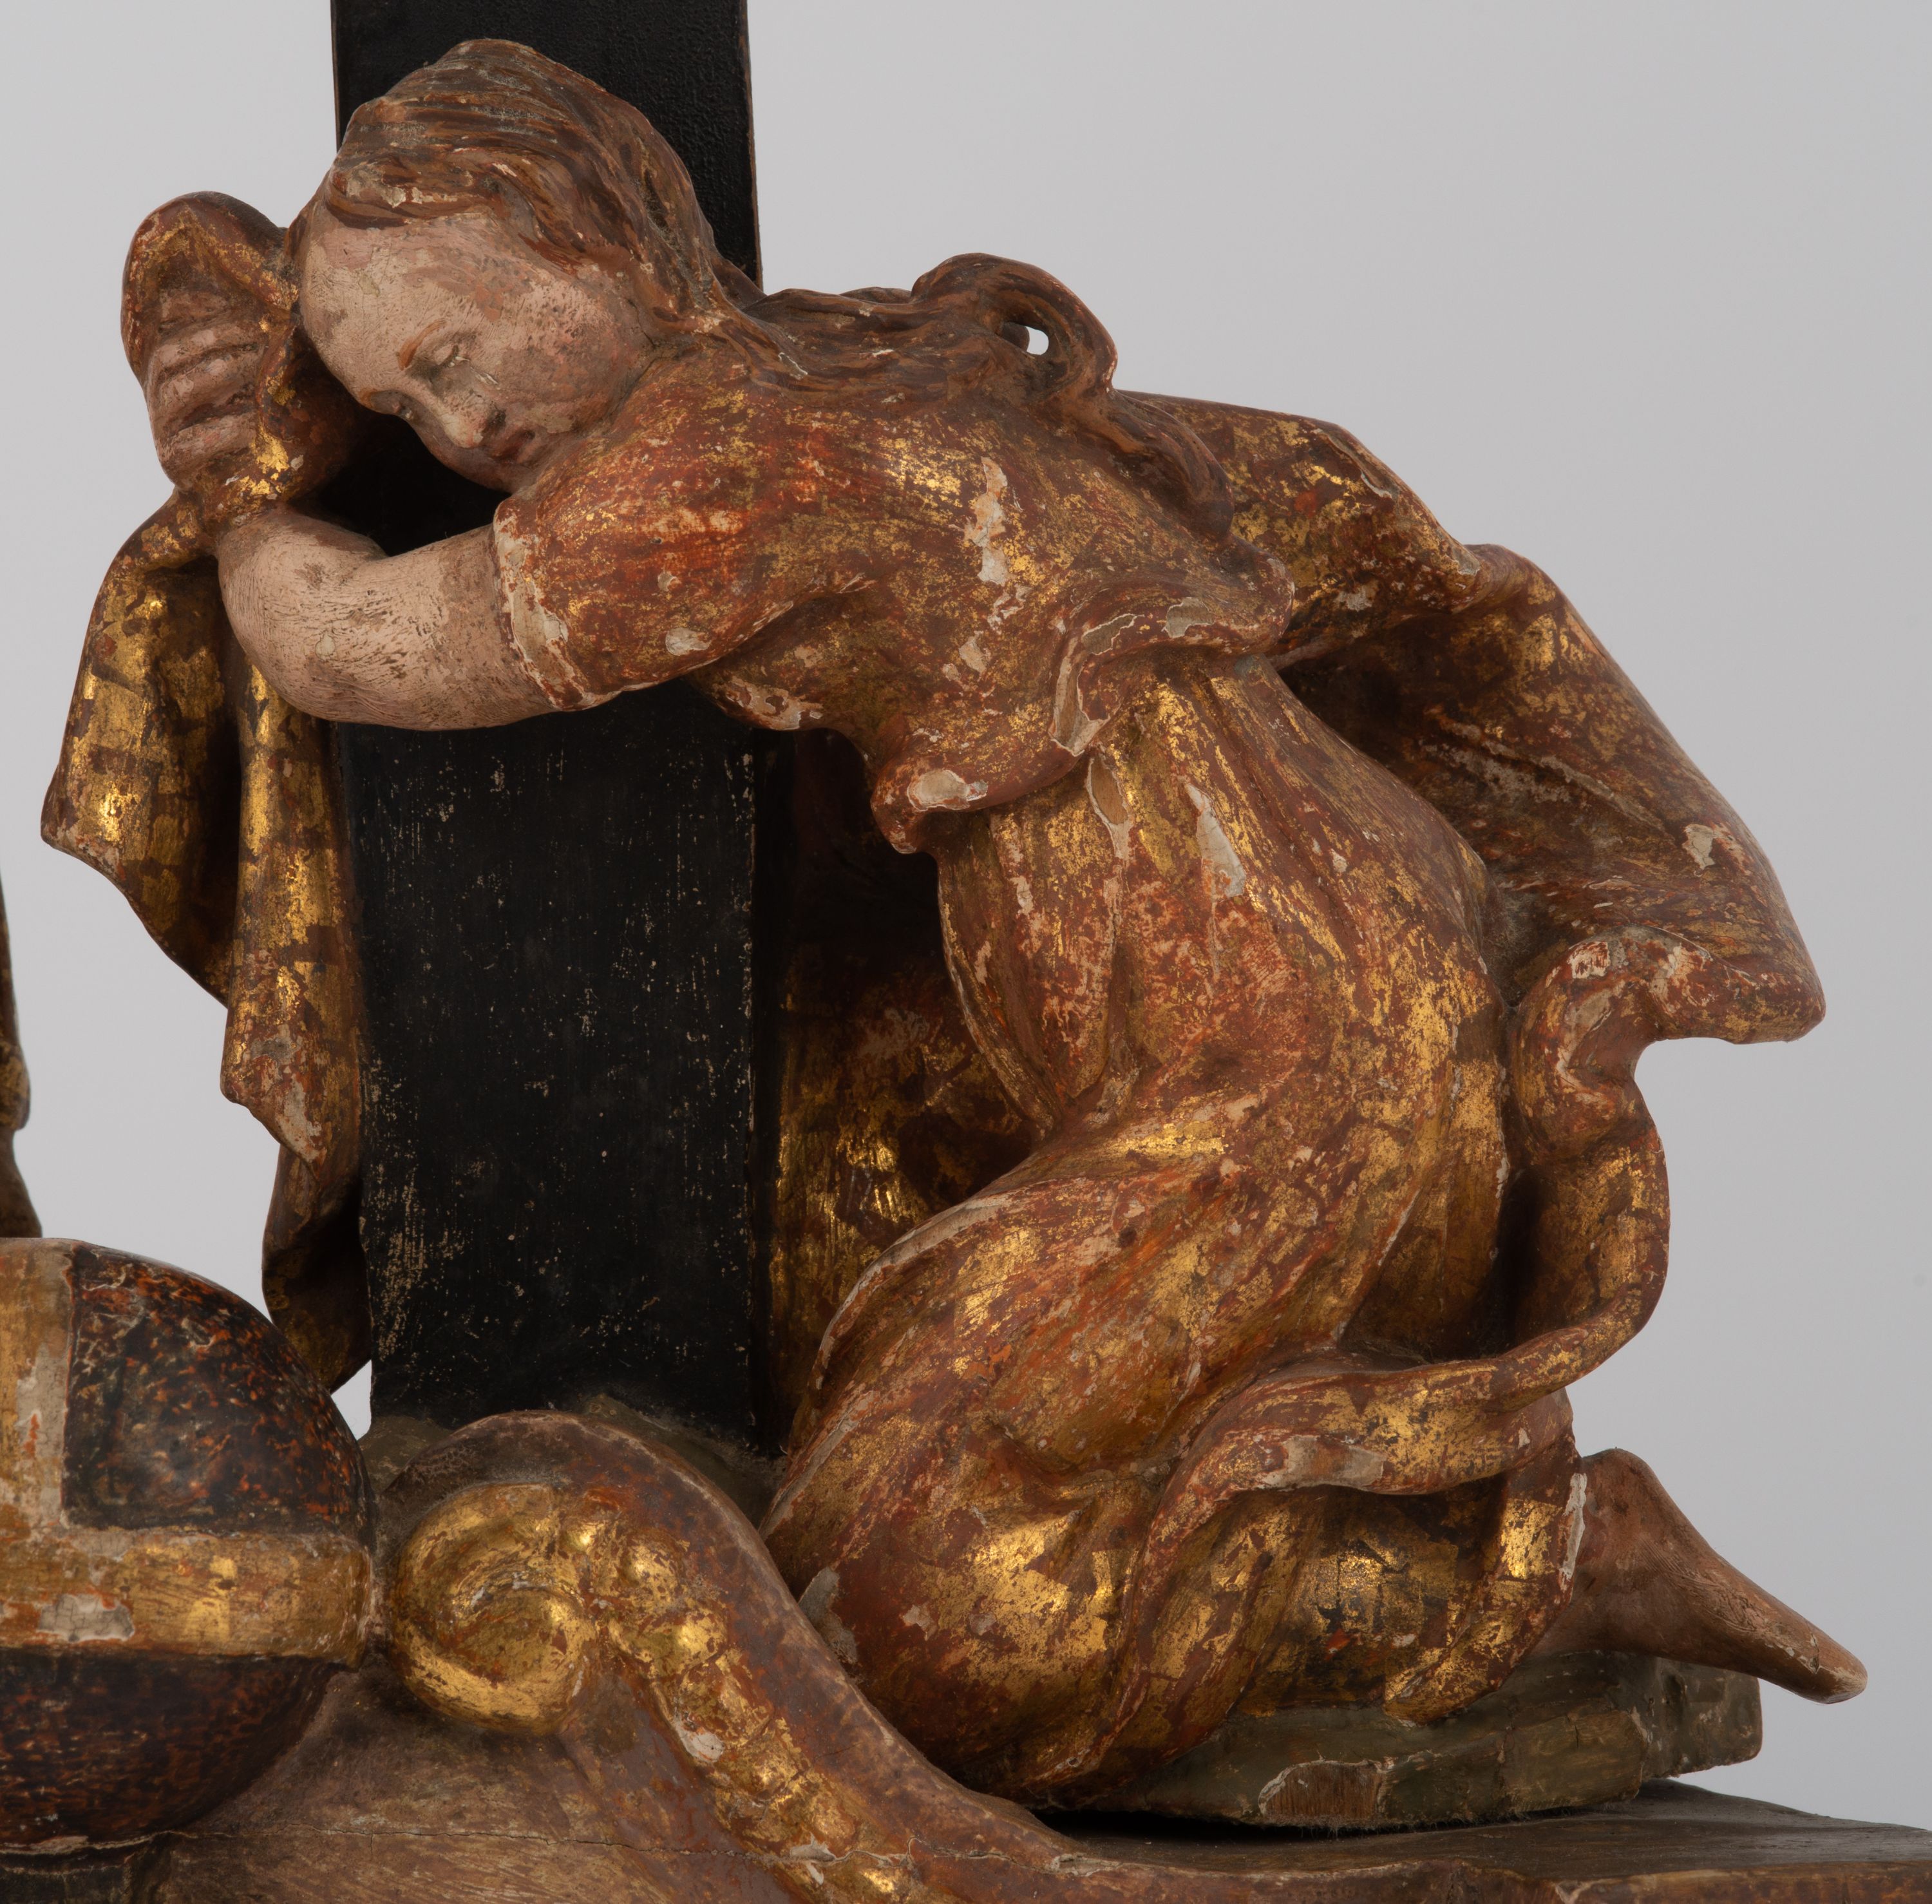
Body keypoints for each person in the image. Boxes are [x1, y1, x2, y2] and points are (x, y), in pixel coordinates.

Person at [137, 39, 1859, 1803]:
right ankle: (1483, 1551)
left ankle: (1545, 1567)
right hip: (1351, 959)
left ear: (587, 234)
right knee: (869, 1349)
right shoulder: (851, 360)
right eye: (405, 412)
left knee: (892, 1611)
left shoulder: (716, 465)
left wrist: (243, 491)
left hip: (1269, 1058)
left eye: (450, 358)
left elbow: (356, 648)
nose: (457, 436)